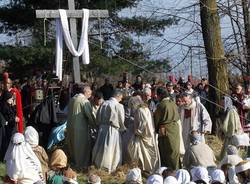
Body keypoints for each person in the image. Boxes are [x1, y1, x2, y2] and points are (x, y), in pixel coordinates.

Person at [92, 90, 126, 173]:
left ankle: (98, 165)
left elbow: (98, 117)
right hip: (112, 130)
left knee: (101, 147)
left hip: (102, 129)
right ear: (117, 96)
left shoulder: (104, 103)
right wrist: (123, 128)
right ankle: (109, 167)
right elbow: (121, 120)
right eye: (121, 98)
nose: (121, 100)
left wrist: (100, 125)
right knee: (110, 148)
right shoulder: (118, 106)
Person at [127, 96, 160, 173]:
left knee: (139, 151)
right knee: (141, 152)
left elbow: (144, 122)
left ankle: (144, 168)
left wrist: (138, 131)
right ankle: (143, 167)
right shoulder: (145, 109)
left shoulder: (140, 110)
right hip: (147, 134)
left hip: (144, 135)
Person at [66, 84, 96, 169]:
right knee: (81, 147)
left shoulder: (73, 98)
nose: (91, 93)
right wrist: (95, 125)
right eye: (90, 91)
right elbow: (90, 115)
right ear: (85, 91)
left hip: (70, 126)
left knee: (73, 146)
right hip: (80, 128)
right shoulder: (84, 101)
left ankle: (74, 162)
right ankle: (81, 165)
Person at [154, 87, 180, 170]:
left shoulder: (161, 105)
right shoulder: (173, 102)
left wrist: (155, 127)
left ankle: (169, 170)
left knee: (166, 151)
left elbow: (156, 119)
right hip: (175, 128)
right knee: (175, 150)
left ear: (160, 95)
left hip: (165, 129)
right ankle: (176, 168)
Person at [0, 91, 18, 157]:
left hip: (10, 127)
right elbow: (6, 119)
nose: (12, 100)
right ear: (6, 98)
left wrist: (13, 105)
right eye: (10, 98)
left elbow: (13, 113)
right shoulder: (4, 107)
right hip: (6, 129)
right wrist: (14, 119)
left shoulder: (8, 105)